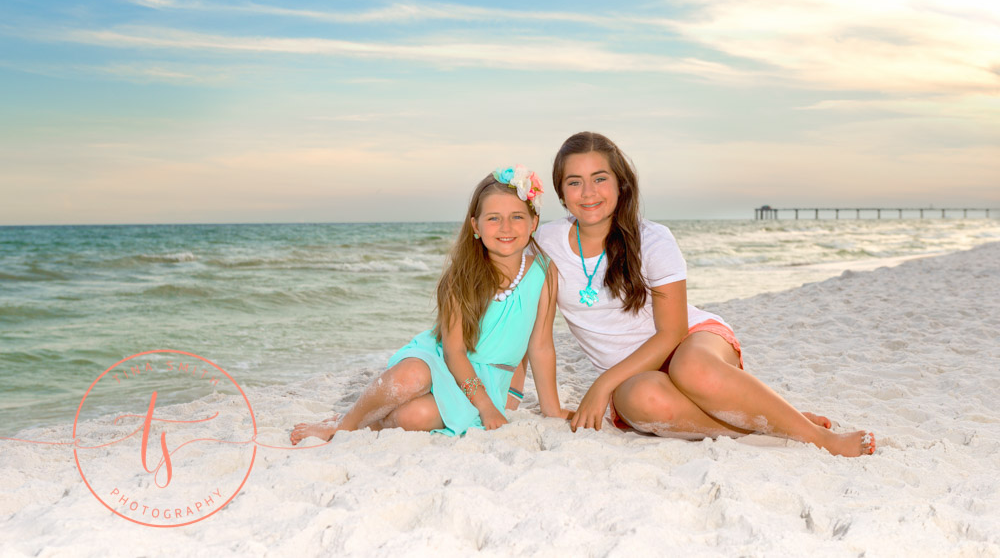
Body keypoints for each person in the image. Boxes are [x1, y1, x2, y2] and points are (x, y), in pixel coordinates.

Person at [533, 132, 875, 457]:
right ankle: (778, 424)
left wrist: (601, 384)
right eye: (574, 181)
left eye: (599, 178)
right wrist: (549, 407)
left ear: (621, 184)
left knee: (691, 367)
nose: (588, 191)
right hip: (633, 375)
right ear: (561, 193)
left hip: (690, 342)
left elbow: (673, 332)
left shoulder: (653, 239)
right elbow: (532, 325)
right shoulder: (547, 244)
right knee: (641, 398)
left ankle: (818, 438)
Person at [290, 166, 571, 443]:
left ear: (534, 223)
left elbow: (541, 345)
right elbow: (453, 353)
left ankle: (374, 422)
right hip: (444, 361)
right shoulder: (461, 278)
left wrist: (552, 410)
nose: (506, 228)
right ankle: (346, 425)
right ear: (476, 226)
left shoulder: (544, 272)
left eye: (517, 217)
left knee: (415, 417)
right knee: (411, 376)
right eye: (494, 218)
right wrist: (483, 406)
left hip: (495, 380)